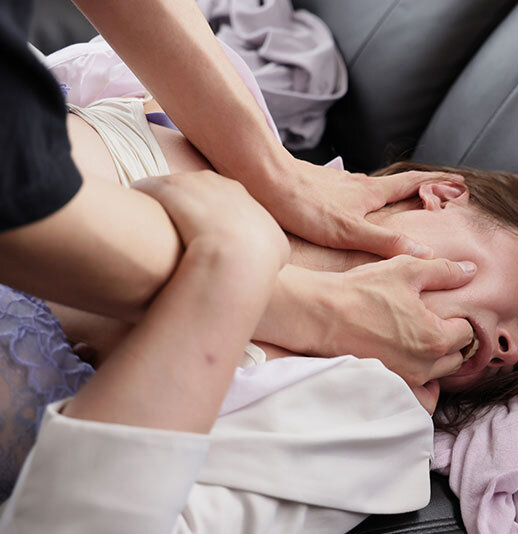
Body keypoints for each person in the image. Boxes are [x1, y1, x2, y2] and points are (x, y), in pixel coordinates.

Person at [0, 0, 474, 401]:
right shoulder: (175, 123)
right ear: (437, 195)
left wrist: (275, 172)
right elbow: (23, 194)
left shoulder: (358, 407)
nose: (504, 349)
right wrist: (317, 310)